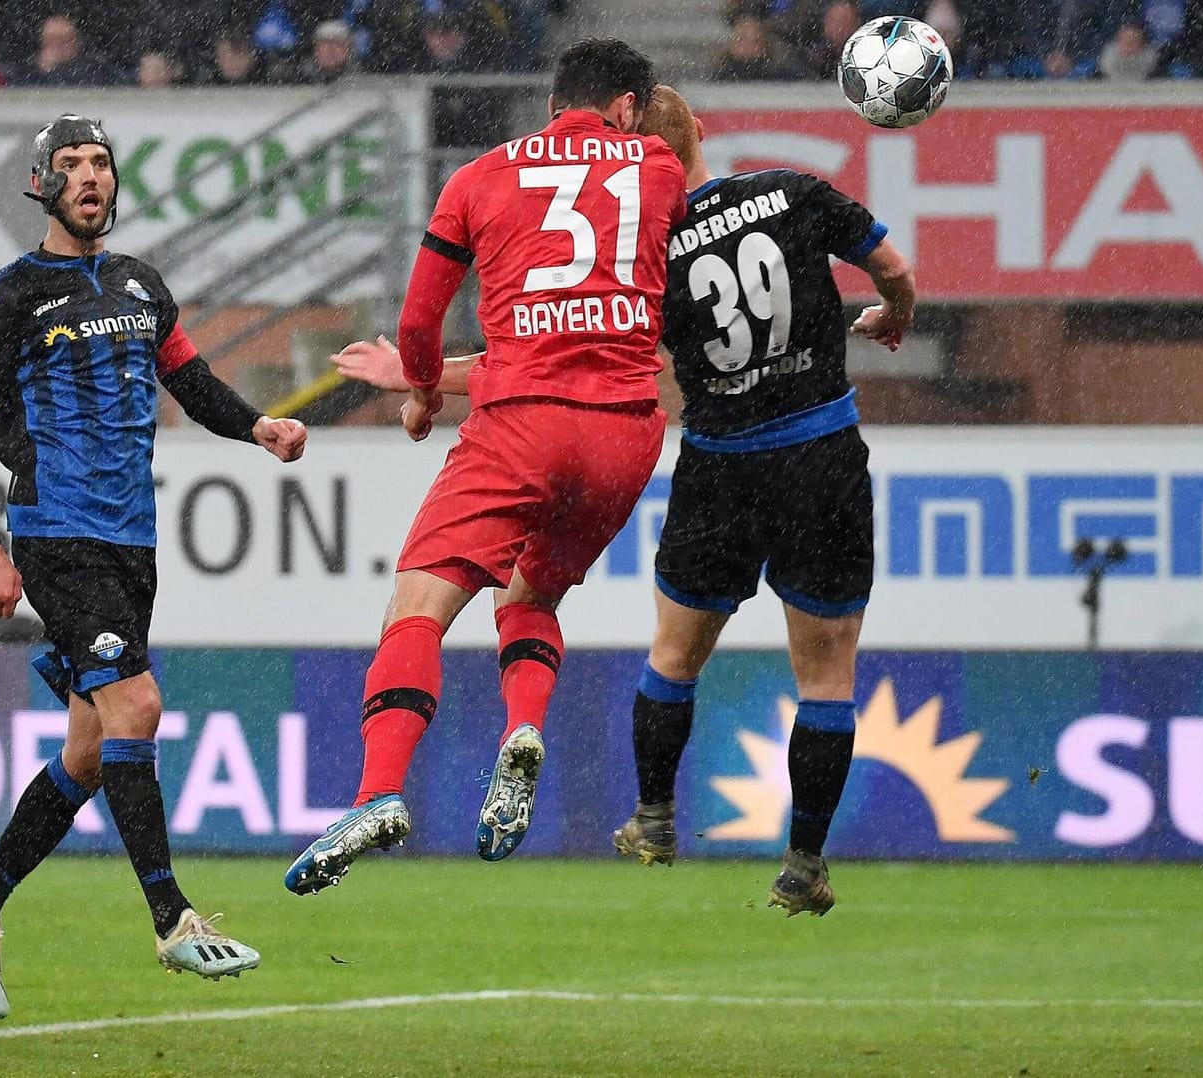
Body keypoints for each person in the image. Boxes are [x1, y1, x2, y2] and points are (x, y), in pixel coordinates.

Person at [328, 85, 915, 916]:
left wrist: (422, 377)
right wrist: (892, 314)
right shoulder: (791, 191)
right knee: (826, 676)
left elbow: (545, 362)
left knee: (674, 658)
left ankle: (653, 816)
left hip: (720, 465)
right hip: (820, 451)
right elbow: (892, 271)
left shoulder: (651, 249)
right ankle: (806, 862)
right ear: (702, 133)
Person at [283, 39, 686, 895]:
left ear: (552, 103)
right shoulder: (655, 166)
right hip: (624, 434)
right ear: (623, 107)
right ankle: (525, 728)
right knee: (530, 595)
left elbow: (420, 319)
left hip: (519, 427)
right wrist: (653, 117)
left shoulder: (478, 177)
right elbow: (680, 140)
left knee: (419, 607)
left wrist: (423, 394)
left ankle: (379, 792)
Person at [0, 115, 308, 1019]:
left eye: (101, 163)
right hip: (57, 534)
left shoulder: (141, 285)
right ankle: (172, 919)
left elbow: (191, 379)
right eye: (73, 166)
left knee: (92, 751)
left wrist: (257, 426)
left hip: (131, 543)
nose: (92, 177)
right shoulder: (10, 293)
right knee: (138, 706)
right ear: (39, 186)